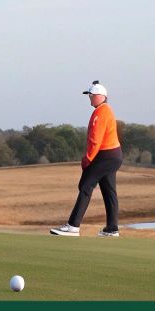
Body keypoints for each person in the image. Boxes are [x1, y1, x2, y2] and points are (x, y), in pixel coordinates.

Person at [49, 81, 123, 237]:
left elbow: (95, 139)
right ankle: (112, 228)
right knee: (109, 191)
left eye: (91, 95)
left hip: (105, 155)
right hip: (113, 155)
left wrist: (88, 159)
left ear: (100, 96)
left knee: (85, 186)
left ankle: (73, 226)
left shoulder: (101, 112)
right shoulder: (105, 110)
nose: (89, 98)